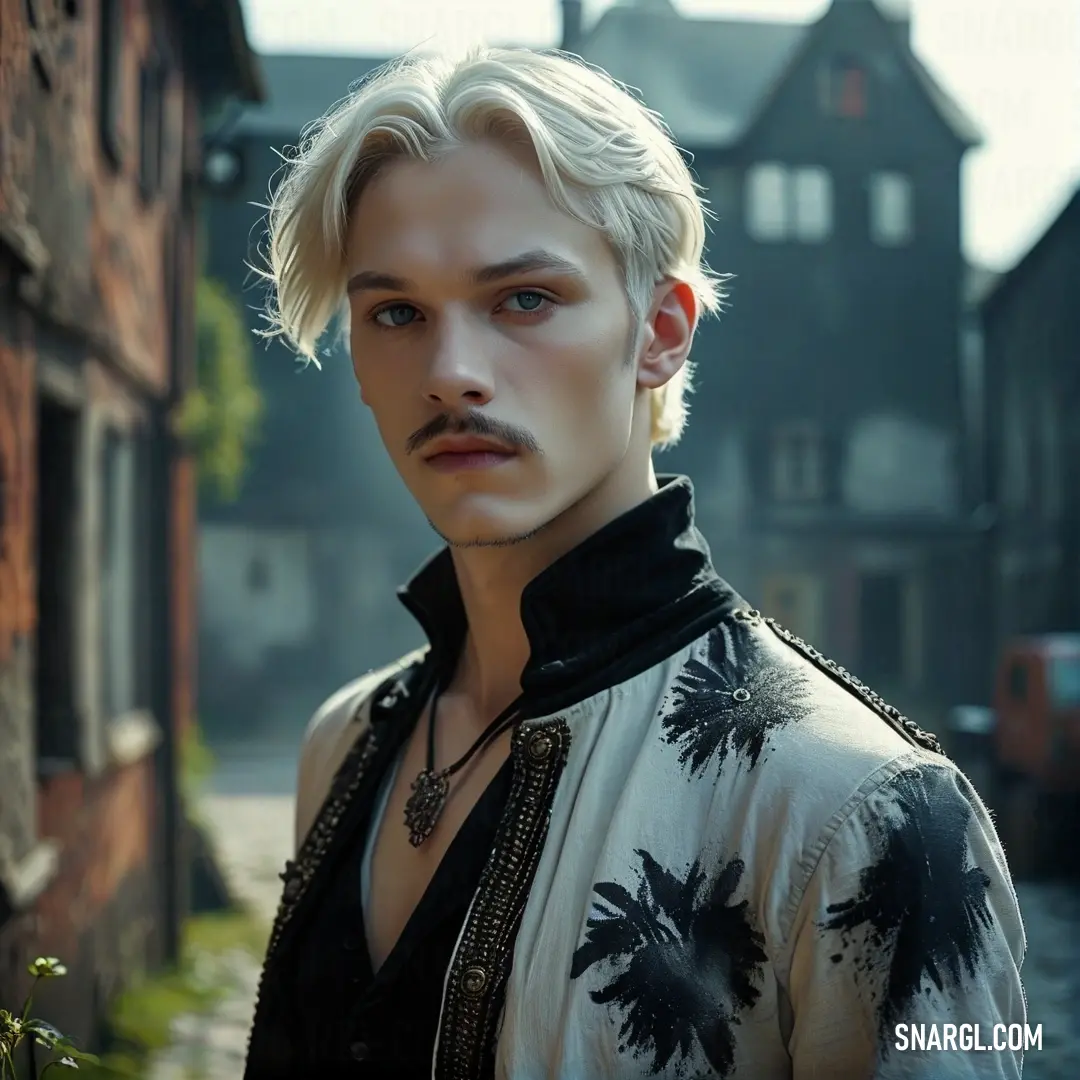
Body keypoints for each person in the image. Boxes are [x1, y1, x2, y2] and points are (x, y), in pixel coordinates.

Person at [242, 45, 1026, 1080]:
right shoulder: (344, 744)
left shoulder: (868, 812)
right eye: (398, 314)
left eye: (523, 299)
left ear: (660, 333)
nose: (450, 373)